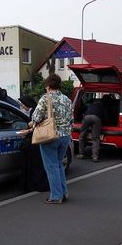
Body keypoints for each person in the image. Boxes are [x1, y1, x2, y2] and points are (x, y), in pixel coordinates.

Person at [30, 74, 73, 204]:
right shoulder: (67, 99)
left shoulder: (45, 98)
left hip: (50, 136)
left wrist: (32, 124)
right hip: (65, 136)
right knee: (59, 164)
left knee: (51, 167)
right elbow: (72, 119)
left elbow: (36, 117)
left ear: (48, 86)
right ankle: (63, 192)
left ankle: (56, 196)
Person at [16, 96, 49, 192]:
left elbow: (36, 126)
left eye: (22, 105)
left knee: (34, 165)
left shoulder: (34, 112)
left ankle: (36, 185)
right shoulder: (35, 110)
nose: (22, 107)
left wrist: (27, 131)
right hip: (38, 141)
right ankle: (38, 184)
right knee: (37, 165)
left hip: (35, 141)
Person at [77, 97, 105, 162]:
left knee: (82, 135)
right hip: (96, 118)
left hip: (86, 117)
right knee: (95, 138)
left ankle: (81, 154)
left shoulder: (91, 105)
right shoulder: (103, 106)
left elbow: (82, 110)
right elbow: (104, 116)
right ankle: (95, 157)